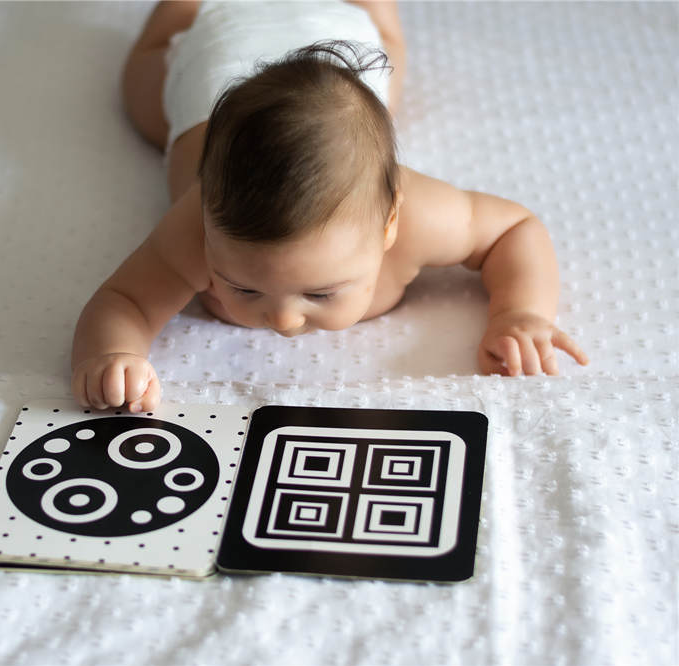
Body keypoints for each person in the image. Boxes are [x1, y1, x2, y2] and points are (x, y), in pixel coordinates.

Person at [71, 0, 588, 412]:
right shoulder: (194, 227)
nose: (282, 318)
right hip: (213, 64)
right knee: (146, 101)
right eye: (242, 286)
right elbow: (125, 301)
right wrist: (112, 355)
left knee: (385, 56)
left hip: (333, 37)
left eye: (319, 292)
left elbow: (514, 228)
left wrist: (520, 312)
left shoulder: (422, 216)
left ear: (390, 226)